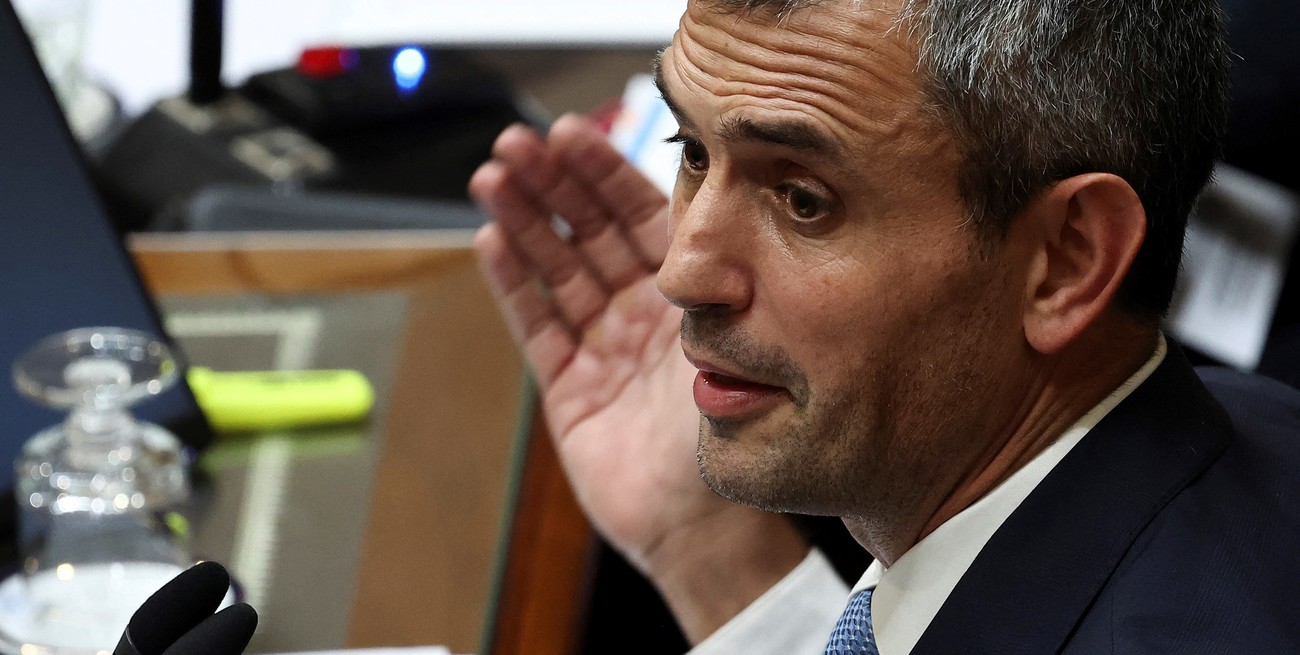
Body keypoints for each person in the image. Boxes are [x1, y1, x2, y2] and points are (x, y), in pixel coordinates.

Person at [469, 0, 1300, 652]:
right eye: (691, 150)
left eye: (803, 199)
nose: (680, 273)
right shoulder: (1242, 421)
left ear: (1067, 259)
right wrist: (703, 546)